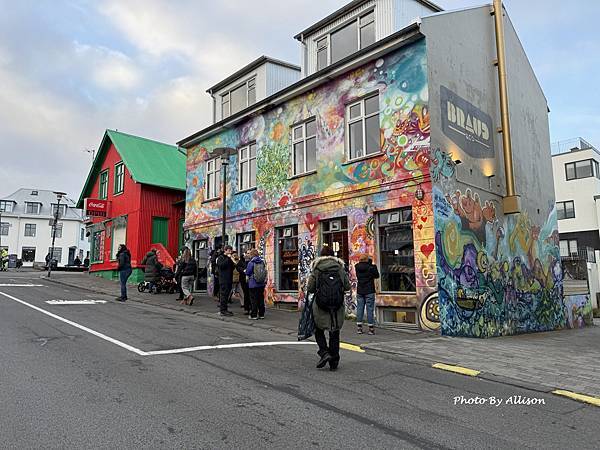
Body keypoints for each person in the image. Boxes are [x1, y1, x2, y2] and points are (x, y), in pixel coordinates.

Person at [307, 246, 351, 371]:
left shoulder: (317, 268)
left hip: (321, 305)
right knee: (334, 332)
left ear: (321, 255)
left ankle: (324, 352)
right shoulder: (340, 268)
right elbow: (347, 286)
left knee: (318, 330)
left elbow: (310, 288)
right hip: (337, 305)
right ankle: (334, 361)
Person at [354, 254, 380, 335]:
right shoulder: (371, 267)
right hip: (369, 290)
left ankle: (359, 327)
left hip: (360, 290)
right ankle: (371, 328)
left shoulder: (357, 266)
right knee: (370, 309)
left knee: (360, 309)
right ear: (367, 259)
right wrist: (371, 262)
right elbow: (377, 275)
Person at [245, 248, 267, 320]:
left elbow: (248, 272)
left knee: (253, 300)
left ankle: (254, 315)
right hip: (261, 283)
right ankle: (261, 314)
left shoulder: (251, 263)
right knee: (260, 299)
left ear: (251, 255)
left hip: (253, 284)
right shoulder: (262, 262)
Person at [217, 245, 235, 316]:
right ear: (225, 250)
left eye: (231, 250)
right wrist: (228, 258)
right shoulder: (220, 258)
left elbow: (233, 267)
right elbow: (221, 266)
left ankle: (225, 309)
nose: (230, 252)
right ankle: (223, 310)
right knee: (223, 295)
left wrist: (232, 261)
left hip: (229, 279)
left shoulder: (230, 258)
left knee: (227, 295)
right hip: (223, 279)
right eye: (229, 250)